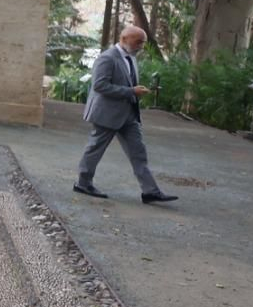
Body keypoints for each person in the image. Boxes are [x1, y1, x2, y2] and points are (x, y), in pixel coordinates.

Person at [74, 26, 179, 204]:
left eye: (143, 43)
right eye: (138, 42)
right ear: (124, 39)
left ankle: (150, 191)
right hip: (107, 114)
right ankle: (83, 183)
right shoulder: (107, 58)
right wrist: (131, 91)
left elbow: (127, 83)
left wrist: (135, 91)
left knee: (138, 152)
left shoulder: (131, 57)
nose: (141, 46)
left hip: (129, 115)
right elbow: (99, 86)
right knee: (95, 149)